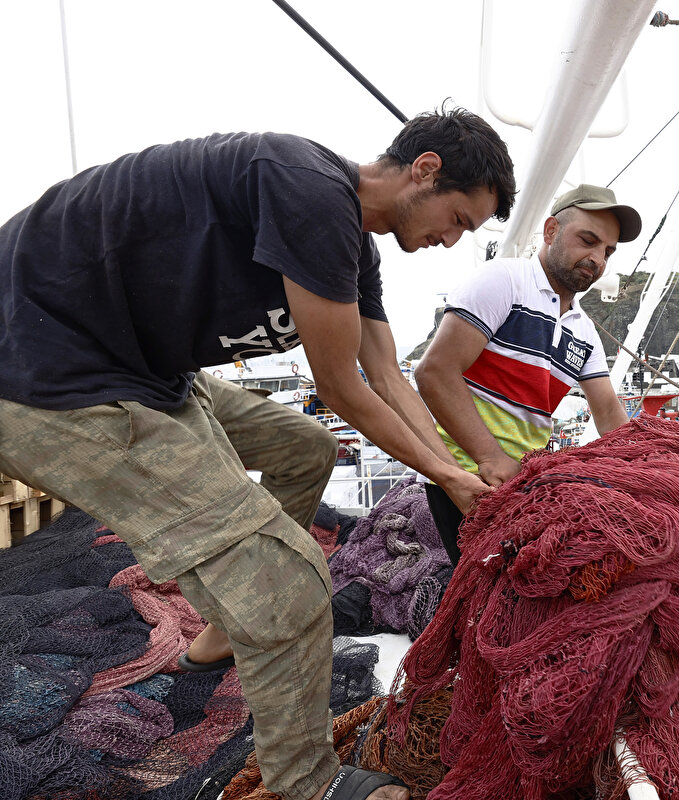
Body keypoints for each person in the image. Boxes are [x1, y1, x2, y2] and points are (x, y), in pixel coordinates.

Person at [0, 107, 516, 800]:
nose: (450, 240)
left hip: (147, 374)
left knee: (306, 447)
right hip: (46, 376)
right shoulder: (305, 187)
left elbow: (386, 377)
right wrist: (449, 476)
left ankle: (225, 625)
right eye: (457, 218)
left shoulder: (355, 249)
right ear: (425, 170)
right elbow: (339, 387)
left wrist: (454, 473)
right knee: (288, 580)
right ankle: (305, 782)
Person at [415, 184, 640, 564]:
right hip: (466, 475)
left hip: (524, 482)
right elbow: (435, 372)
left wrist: (649, 464)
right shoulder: (504, 280)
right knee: (490, 590)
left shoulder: (584, 331)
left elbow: (607, 412)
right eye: (588, 241)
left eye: (608, 251)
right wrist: (489, 458)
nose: (597, 258)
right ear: (551, 231)